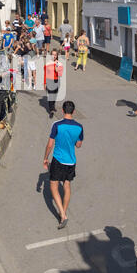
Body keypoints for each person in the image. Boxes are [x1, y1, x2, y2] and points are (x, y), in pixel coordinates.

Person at [43, 101, 84, 230]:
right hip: (71, 161)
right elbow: (78, 145)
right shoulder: (79, 127)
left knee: (53, 185)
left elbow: (50, 144)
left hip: (58, 160)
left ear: (62, 111)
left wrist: (45, 158)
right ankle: (63, 214)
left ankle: (62, 213)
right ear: (74, 111)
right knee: (67, 185)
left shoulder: (57, 125)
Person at [44, 49, 64, 118]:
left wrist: (57, 69)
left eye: (55, 55)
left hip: (56, 81)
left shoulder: (59, 64)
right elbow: (45, 74)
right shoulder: (48, 63)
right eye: (53, 54)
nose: (54, 56)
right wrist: (44, 83)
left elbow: (60, 74)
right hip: (49, 81)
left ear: (57, 55)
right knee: (51, 96)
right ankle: (51, 110)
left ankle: (53, 106)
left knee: (54, 96)